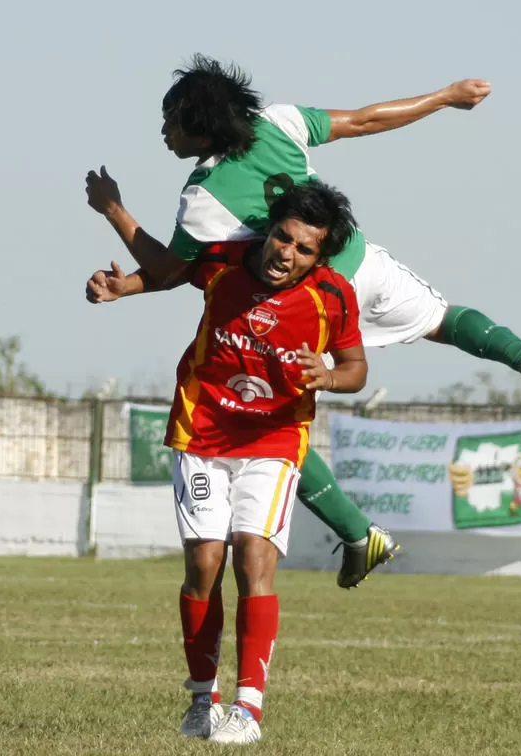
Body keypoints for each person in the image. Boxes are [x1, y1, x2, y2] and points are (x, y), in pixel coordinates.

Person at [84, 55, 521, 588]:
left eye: (171, 119)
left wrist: (114, 211)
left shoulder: (202, 198)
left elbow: (172, 268)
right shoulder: (280, 121)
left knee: (269, 425)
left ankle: (359, 533)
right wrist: (445, 96)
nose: (163, 130)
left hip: (302, 303)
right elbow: (365, 119)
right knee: (445, 320)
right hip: (360, 264)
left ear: (200, 125)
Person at [162, 181, 367, 743]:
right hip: (202, 429)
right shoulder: (223, 262)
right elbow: (162, 269)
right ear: (270, 230)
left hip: (275, 439)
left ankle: (248, 710)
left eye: (304, 249)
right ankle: (204, 699)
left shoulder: (333, 296)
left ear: (319, 257)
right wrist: (114, 214)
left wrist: (327, 375)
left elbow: (356, 369)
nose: (288, 253)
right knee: (205, 563)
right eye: (283, 238)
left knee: (253, 555)